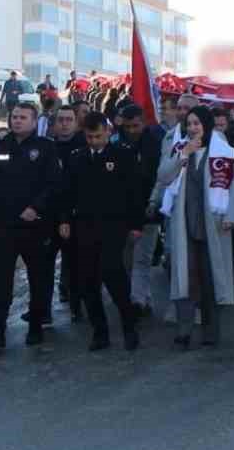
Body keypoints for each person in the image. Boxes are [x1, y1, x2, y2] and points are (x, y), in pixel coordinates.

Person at [153, 105, 234, 348]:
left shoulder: (223, 151)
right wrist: (183, 156)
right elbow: (163, 176)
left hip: (213, 225)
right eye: (189, 124)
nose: (192, 128)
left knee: (210, 279)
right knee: (185, 279)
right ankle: (184, 331)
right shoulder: (181, 149)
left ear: (206, 126)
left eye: (196, 124)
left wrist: (232, 215)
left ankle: (211, 331)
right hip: (184, 226)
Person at [60, 112, 145, 351]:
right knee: (88, 281)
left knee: (113, 275)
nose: (94, 141)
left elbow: (135, 193)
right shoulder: (77, 157)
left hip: (113, 227)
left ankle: (129, 326)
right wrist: (64, 220)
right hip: (84, 227)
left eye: (98, 136)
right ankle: (100, 332)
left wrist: (136, 225)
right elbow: (67, 192)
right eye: (89, 137)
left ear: (108, 131)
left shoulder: (123, 155)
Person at [0, 102, 63, 348]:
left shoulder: (45, 148)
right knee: (2, 279)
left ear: (34, 120)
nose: (16, 121)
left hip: (35, 226)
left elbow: (53, 184)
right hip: (5, 225)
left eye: (22, 117)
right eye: (14, 116)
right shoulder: (1, 145)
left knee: (38, 278)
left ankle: (36, 327)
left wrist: (36, 208)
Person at [113, 102, 165, 319]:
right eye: (128, 127)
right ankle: (140, 298)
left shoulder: (156, 144)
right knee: (126, 261)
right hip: (123, 212)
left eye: (135, 126)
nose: (132, 131)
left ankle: (138, 302)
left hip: (148, 210)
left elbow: (160, 178)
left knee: (142, 258)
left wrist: (155, 203)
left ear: (143, 123)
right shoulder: (116, 145)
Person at [45, 104, 85, 320]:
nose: (64, 124)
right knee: (44, 266)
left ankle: (77, 307)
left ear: (76, 123)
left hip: (74, 216)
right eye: (61, 120)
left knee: (75, 264)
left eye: (69, 119)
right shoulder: (46, 148)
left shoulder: (83, 146)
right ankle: (43, 311)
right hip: (49, 216)